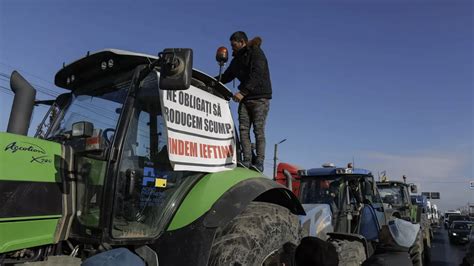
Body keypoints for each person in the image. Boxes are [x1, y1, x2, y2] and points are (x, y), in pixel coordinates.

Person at [217, 31, 272, 172]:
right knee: (243, 130)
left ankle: (259, 162)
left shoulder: (256, 53)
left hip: (260, 98)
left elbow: (257, 74)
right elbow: (227, 76)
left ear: (242, 42)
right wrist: (211, 82)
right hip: (245, 99)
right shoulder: (236, 60)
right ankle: (247, 160)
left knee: (258, 131)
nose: (232, 48)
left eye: (233, 45)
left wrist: (242, 92)